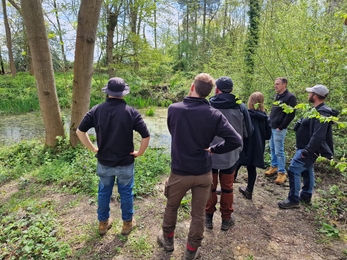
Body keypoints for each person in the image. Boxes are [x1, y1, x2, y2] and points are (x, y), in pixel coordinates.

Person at [157, 73, 242, 260]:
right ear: (211, 92)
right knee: (198, 214)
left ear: (192, 87)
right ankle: (191, 250)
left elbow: (174, 132)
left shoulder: (174, 109)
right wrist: (213, 149)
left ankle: (168, 241)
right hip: (203, 172)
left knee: (172, 207)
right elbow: (236, 140)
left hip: (180, 171)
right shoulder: (214, 114)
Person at [76, 77, 150, 236]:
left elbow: (79, 132)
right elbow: (146, 136)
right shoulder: (131, 112)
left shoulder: (96, 110)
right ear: (124, 93)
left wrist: (94, 149)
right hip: (125, 162)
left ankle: (103, 224)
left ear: (108, 92)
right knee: (126, 192)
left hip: (104, 162)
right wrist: (139, 152)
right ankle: (127, 224)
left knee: (104, 192)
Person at [278, 85, 339, 209]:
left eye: (310, 93)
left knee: (293, 170)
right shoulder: (316, 110)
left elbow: (318, 136)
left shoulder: (322, 113)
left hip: (308, 149)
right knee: (307, 170)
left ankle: (293, 199)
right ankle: (306, 196)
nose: (308, 95)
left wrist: (307, 151)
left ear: (315, 96)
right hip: (306, 147)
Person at [205, 76, 253, 231]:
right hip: (231, 153)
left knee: (210, 186)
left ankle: (208, 217)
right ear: (231, 90)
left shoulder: (208, 105)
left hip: (210, 153)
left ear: (217, 89)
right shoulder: (241, 107)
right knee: (227, 186)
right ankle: (226, 219)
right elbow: (248, 132)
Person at [238, 92, 272, 199]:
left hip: (245, 143)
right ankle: (249, 191)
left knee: (236, 164)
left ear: (250, 101)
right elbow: (268, 135)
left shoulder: (246, 114)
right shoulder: (266, 117)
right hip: (257, 146)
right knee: (251, 168)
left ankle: (227, 186)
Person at [265, 77, 297, 184]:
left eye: (277, 84)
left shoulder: (290, 97)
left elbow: (291, 114)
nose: (275, 86)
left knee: (279, 150)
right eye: (275, 84)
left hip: (279, 128)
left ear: (284, 85)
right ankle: (274, 166)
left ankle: (282, 172)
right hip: (272, 126)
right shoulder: (277, 96)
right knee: (272, 148)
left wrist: (281, 126)